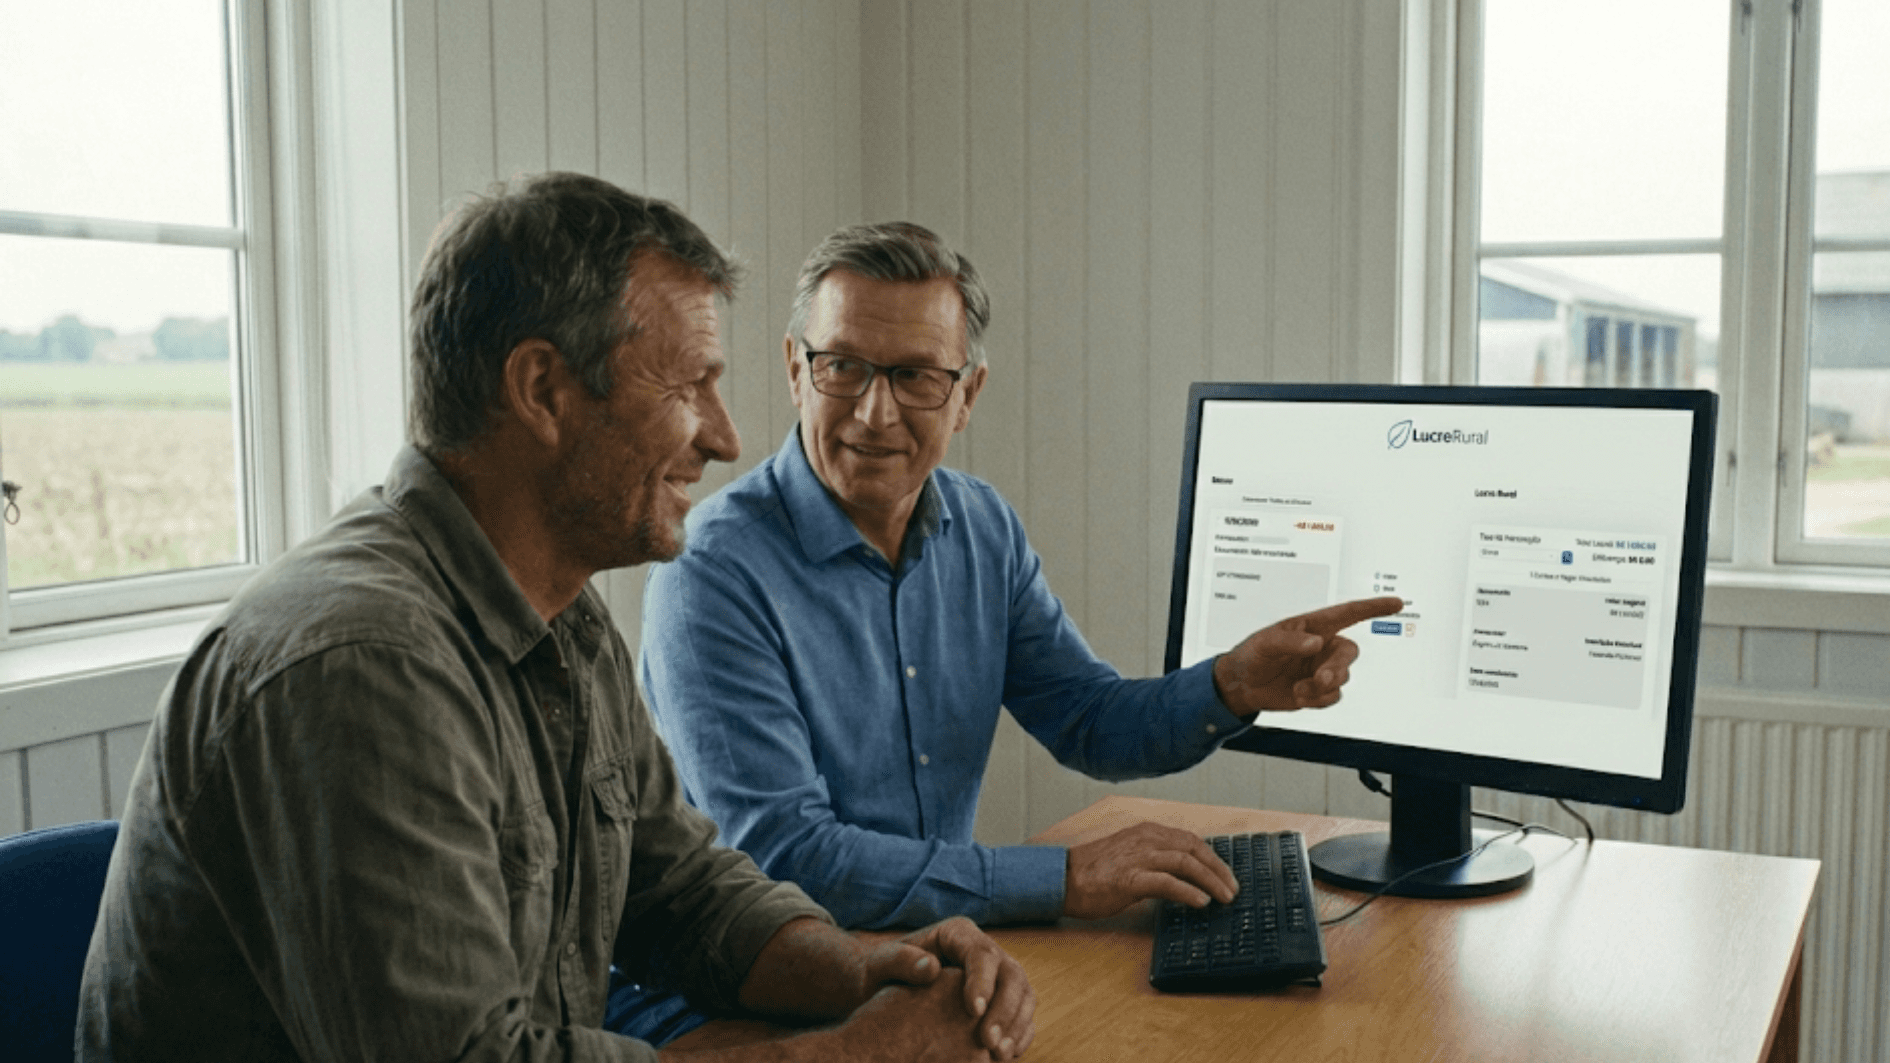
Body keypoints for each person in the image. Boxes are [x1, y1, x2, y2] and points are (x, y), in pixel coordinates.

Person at [77, 177, 1034, 1063]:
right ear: (542, 391)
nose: (725, 435)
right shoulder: (362, 665)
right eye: (687, 384)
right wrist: (854, 1052)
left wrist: (865, 968)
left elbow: (678, 889)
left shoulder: (559, 614)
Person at [638, 221, 1404, 932]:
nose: (874, 413)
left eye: (914, 377)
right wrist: (1066, 877)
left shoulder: (982, 527)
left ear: (967, 394)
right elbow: (788, 860)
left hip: (926, 955)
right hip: (759, 988)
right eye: (842, 366)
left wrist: (1233, 683)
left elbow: (1090, 720)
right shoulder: (711, 571)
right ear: (796, 370)